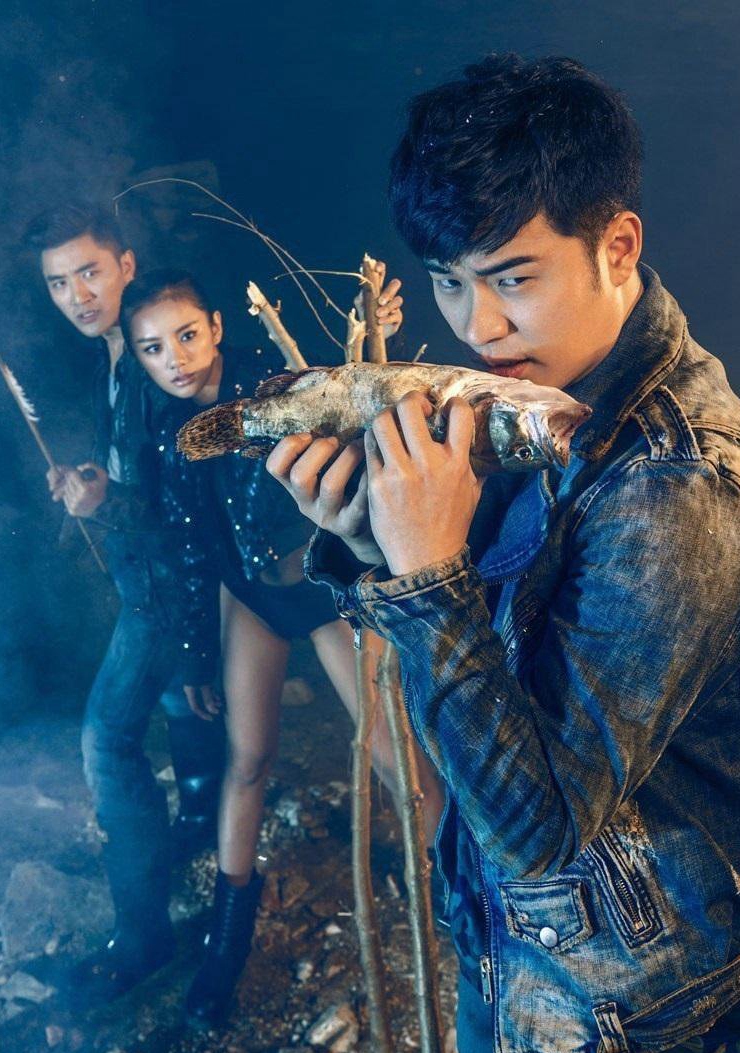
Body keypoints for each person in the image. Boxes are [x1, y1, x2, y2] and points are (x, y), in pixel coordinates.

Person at [266, 54, 740, 1052]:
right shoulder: (532, 407)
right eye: (448, 281)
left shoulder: (674, 485)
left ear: (617, 247)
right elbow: (487, 678)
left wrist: (425, 577)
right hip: (512, 958)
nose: (478, 327)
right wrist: (368, 543)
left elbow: (540, 834)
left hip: (632, 1007)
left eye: (512, 279)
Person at [120, 267, 443, 1029]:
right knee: (247, 758)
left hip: (321, 586)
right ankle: (226, 942)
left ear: (217, 327)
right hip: (249, 595)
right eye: (153, 348)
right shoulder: (171, 432)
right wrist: (198, 656)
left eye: (187, 335)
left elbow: (346, 384)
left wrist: (374, 321)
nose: (175, 358)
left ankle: (461, 886)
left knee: (391, 753)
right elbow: (193, 549)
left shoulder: (272, 382)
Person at [25, 205, 225, 1008]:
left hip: (168, 594)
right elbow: (138, 477)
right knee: (183, 712)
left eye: (89, 272)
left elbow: (183, 511)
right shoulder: (116, 354)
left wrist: (106, 500)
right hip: (154, 587)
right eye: (57, 283)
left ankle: (142, 937)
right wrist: (93, 483)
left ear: (127, 265)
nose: (76, 295)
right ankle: (196, 838)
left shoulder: (154, 359)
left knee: (106, 741)